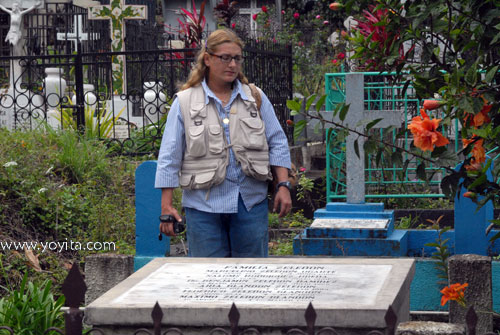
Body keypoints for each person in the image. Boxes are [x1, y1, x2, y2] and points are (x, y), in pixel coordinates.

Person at [155, 29, 292, 257]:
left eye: (237, 58)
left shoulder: (254, 97)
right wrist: (166, 205)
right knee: (208, 278)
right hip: (203, 208)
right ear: (207, 59)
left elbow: (277, 141)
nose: (232, 64)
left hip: (250, 203)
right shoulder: (185, 102)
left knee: (252, 278)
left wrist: (283, 186)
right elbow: (170, 155)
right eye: (225, 58)